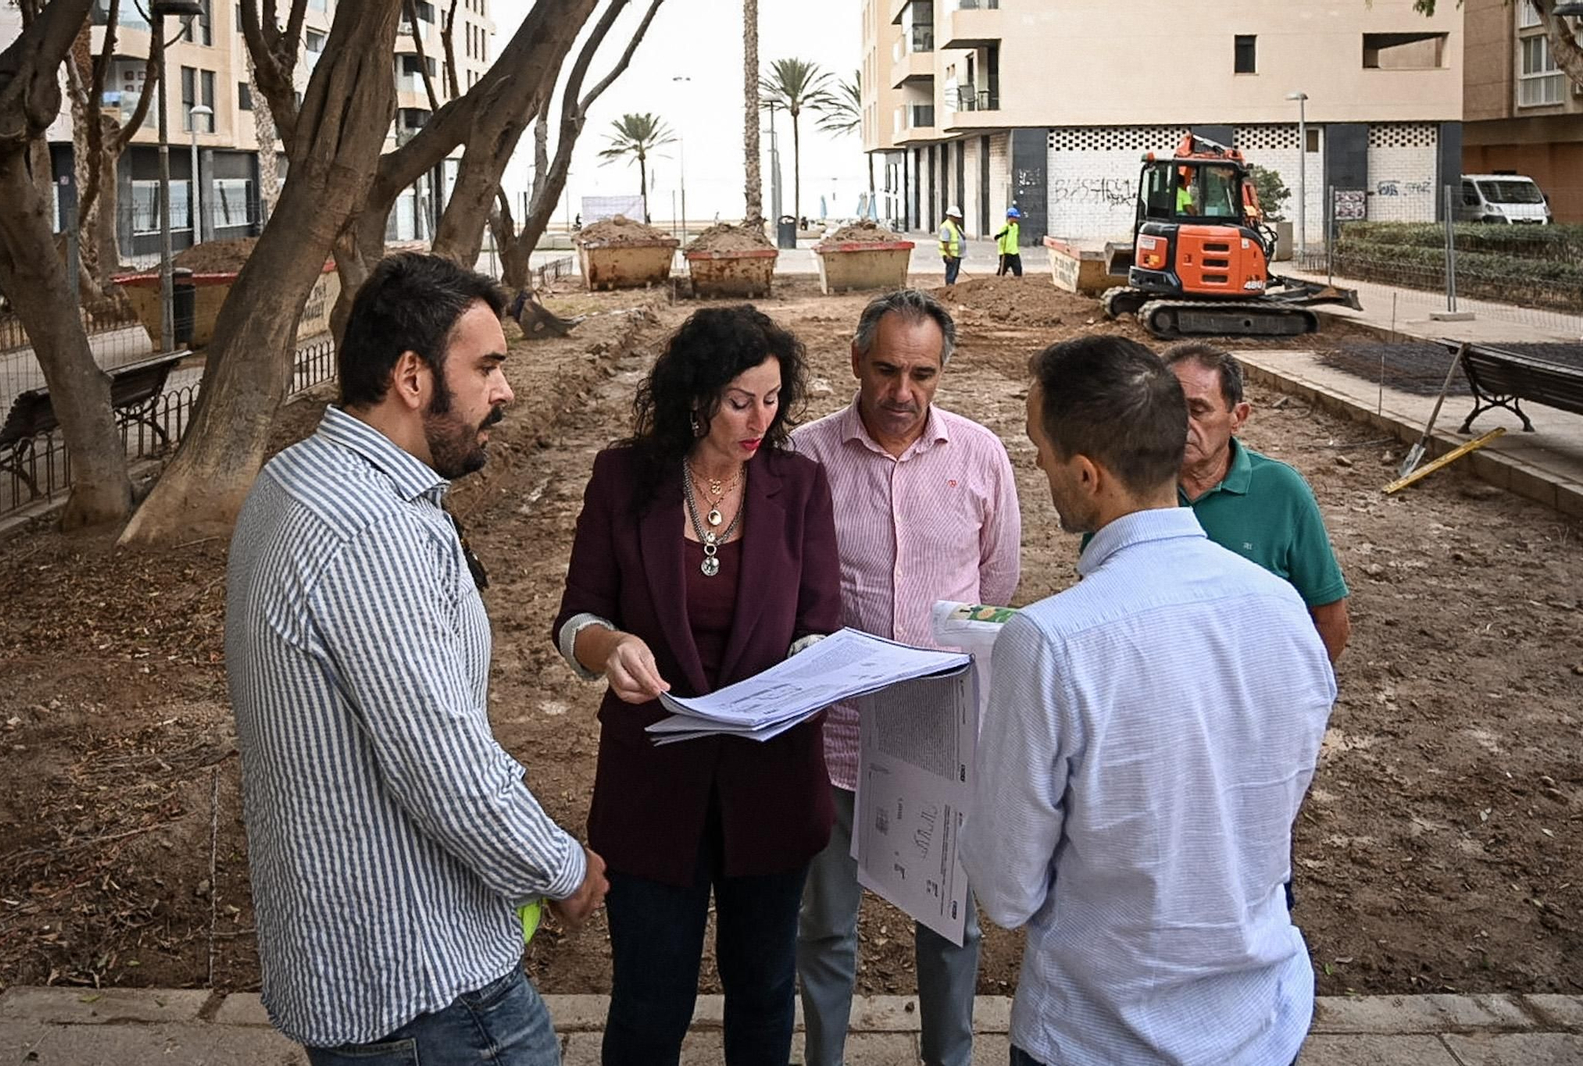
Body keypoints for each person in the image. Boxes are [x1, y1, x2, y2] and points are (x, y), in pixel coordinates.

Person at [225, 253, 608, 1066]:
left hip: (359, 971)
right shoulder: (370, 532)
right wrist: (560, 866)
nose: (504, 392)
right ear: (412, 376)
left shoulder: (298, 477)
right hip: (429, 992)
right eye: (488, 367)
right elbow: (443, 763)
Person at [962, 335, 1336, 1066]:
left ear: (1086, 474)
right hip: (1261, 1021)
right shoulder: (1285, 611)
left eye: (1040, 451)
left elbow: (1007, 891)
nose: (1037, 469)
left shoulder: (1051, 642)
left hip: (1098, 1033)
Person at [552, 305, 842, 1066]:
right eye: (739, 400)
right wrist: (609, 646)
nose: (759, 420)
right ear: (693, 394)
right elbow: (575, 619)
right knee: (650, 1004)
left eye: (774, 399)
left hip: (771, 784)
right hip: (652, 789)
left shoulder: (800, 486)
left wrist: (806, 663)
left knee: (763, 993)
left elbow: (820, 621)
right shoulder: (624, 478)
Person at [792, 289, 1020, 1066]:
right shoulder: (806, 456)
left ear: (943, 370)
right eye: (886, 369)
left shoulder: (982, 456)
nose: (902, 393)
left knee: (952, 922)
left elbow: (997, 581)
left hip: (941, 740)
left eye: (923, 374)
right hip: (837, 737)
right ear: (855, 359)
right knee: (824, 924)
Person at [1164, 342, 1351, 662]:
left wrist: (1296, 698)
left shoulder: (1281, 491)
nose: (1180, 424)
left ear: (1238, 417)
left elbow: (1331, 619)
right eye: (1167, 409)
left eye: (1197, 410)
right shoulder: (1130, 486)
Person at [939, 205, 965, 286]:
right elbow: (945, 242)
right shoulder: (946, 226)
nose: (958, 219)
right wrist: (948, 254)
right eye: (956, 217)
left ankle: (951, 285)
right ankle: (949, 286)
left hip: (956, 254)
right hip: (951, 255)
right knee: (951, 273)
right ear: (951, 216)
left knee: (955, 272)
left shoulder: (955, 226)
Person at [994, 206, 1022, 277]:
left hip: (1014, 252)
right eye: (1015, 217)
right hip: (1005, 253)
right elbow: (999, 239)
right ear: (1010, 217)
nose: (1016, 219)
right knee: (1002, 270)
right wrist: (1001, 252)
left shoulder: (1016, 227)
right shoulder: (1004, 227)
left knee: (1018, 270)